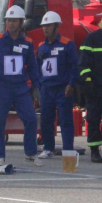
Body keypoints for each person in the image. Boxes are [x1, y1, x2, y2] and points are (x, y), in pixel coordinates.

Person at [0, 5, 42, 166]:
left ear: (21, 23)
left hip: (20, 88)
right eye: (8, 20)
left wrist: (36, 87)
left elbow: (33, 66)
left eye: (14, 21)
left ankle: (30, 153)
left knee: (30, 119)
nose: (10, 24)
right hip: (2, 87)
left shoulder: (27, 43)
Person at [36, 11, 79, 159]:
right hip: (47, 89)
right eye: (44, 26)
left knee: (66, 120)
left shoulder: (67, 44)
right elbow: (38, 68)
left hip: (63, 89)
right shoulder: (41, 46)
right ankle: (48, 148)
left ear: (57, 26)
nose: (45, 29)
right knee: (46, 120)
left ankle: (68, 149)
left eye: (48, 25)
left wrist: (71, 84)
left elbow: (74, 66)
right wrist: (39, 86)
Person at [79, 4, 102, 164]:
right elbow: (83, 63)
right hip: (94, 89)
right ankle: (94, 150)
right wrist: (88, 81)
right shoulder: (92, 38)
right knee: (93, 119)